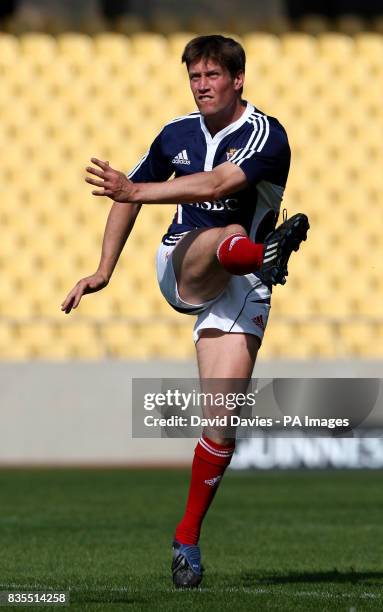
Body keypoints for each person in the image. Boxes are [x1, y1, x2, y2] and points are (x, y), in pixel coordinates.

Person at [61, 35, 309, 588]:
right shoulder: (174, 134)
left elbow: (220, 181)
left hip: (243, 289)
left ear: (238, 80)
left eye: (211, 77)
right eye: (194, 77)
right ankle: (262, 253)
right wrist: (104, 269)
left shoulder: (267, 135)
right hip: (186, 265)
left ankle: (187, 539)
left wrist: (136, 190)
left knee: (220, 427)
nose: (201, 87)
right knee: (227, 232)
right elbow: (127, 198)